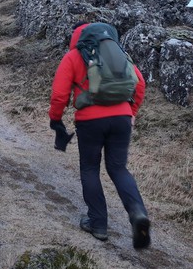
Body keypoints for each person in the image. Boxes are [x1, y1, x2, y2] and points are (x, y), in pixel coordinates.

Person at [48, 22, 150, 249]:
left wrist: (55, 119)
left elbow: (59, 94)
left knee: (90, 168)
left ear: (77, 36)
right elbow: (140, 84)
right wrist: (131, 113)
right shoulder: (118, 53)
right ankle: (137, 213)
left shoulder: (75, 55)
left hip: (90, 121)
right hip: (122, 119)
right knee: (118, 168)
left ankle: (98, 224)